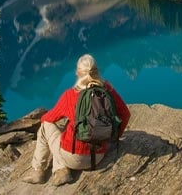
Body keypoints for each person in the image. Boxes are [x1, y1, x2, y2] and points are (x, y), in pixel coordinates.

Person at [22, 54, 131, 186]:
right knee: (64, 133)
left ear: (78, 73)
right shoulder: (107, 90)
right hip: (98, 156)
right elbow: (125, 114)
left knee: (46, 127)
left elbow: (48, 118)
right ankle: (60, 171)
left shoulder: (70, 94)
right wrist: (114, 137)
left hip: (72, 156)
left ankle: (39, 171)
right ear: (96, 70)